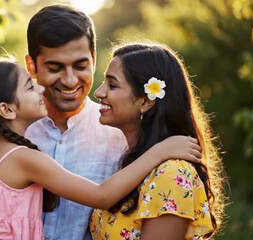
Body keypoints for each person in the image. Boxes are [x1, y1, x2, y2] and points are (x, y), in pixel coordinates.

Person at [0, 5, 198, 240]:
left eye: (80, 65)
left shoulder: (119, 135)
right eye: (54, 68)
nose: (70, 80)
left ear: (93, 59)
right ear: (32, 67)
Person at [89, 42, 226, 239]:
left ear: (145, 101)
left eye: (112, 85)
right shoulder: (133, 163)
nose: (99, 92)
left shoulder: (171, 174)